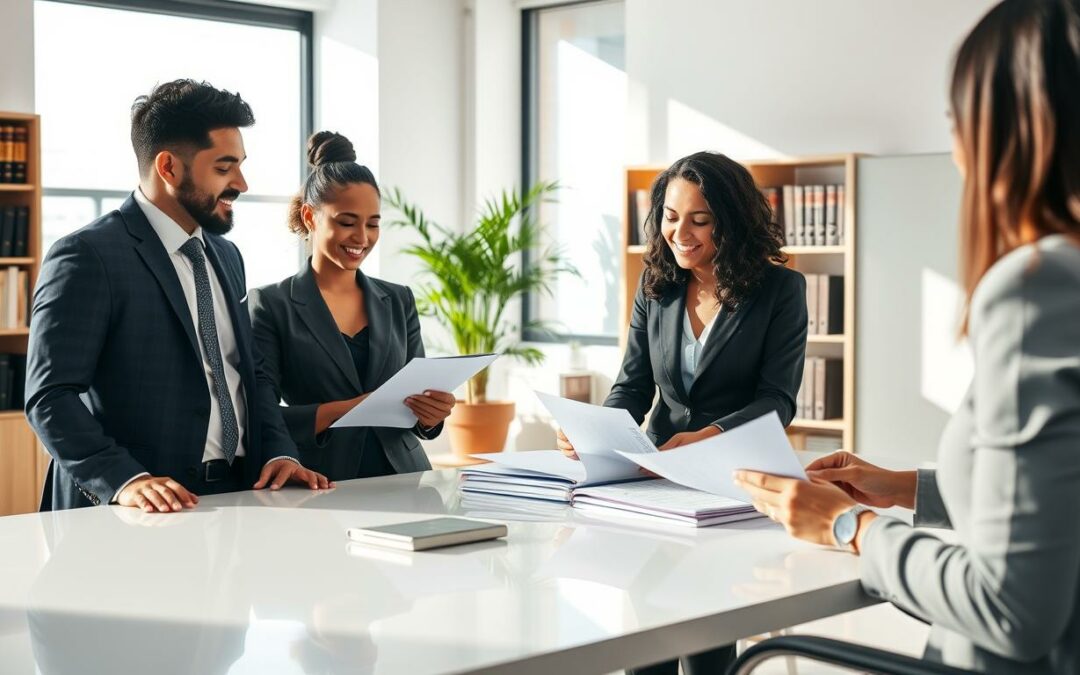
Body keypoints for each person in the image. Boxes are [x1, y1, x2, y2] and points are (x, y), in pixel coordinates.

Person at [734, 1, 1080, 672]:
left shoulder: (1038, 287)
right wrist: (905, 488)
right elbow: (1059, 503)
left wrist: (851, 526)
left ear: (1005, 129)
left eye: (955, 121)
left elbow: (1009, 609)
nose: (954, 150)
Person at [26, 79, 330, 513]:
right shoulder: (87, 256)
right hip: (137, 508)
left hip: (239, 496)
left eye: (240, 165)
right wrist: (125, 480)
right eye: (224, 168)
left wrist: (279, 452)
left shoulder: (227, 256)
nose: (241, 183)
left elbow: (250, 373)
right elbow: (49, 396)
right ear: (168, 167)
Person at [559, 150, 808, 675]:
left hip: (730, 478)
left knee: (706, 641)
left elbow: (777, 400)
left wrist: (710, 437)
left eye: (701, 219)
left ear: (732, 221)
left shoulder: (780, 290)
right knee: (645, 640)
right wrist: (598, 432)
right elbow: (632, 387)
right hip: (657, 477)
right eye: (671, 217)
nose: (681, 233)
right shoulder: (657, 285)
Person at [248, 131, 454, 481]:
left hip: (406, 478)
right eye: (347, 222)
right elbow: (260, 414)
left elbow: (416, 407)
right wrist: (352, 409)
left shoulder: (399, 300)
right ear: (311, 217)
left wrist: (431, 415)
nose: (362, 238)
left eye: (373, 224)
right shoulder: (271, 304)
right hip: (320, 479)